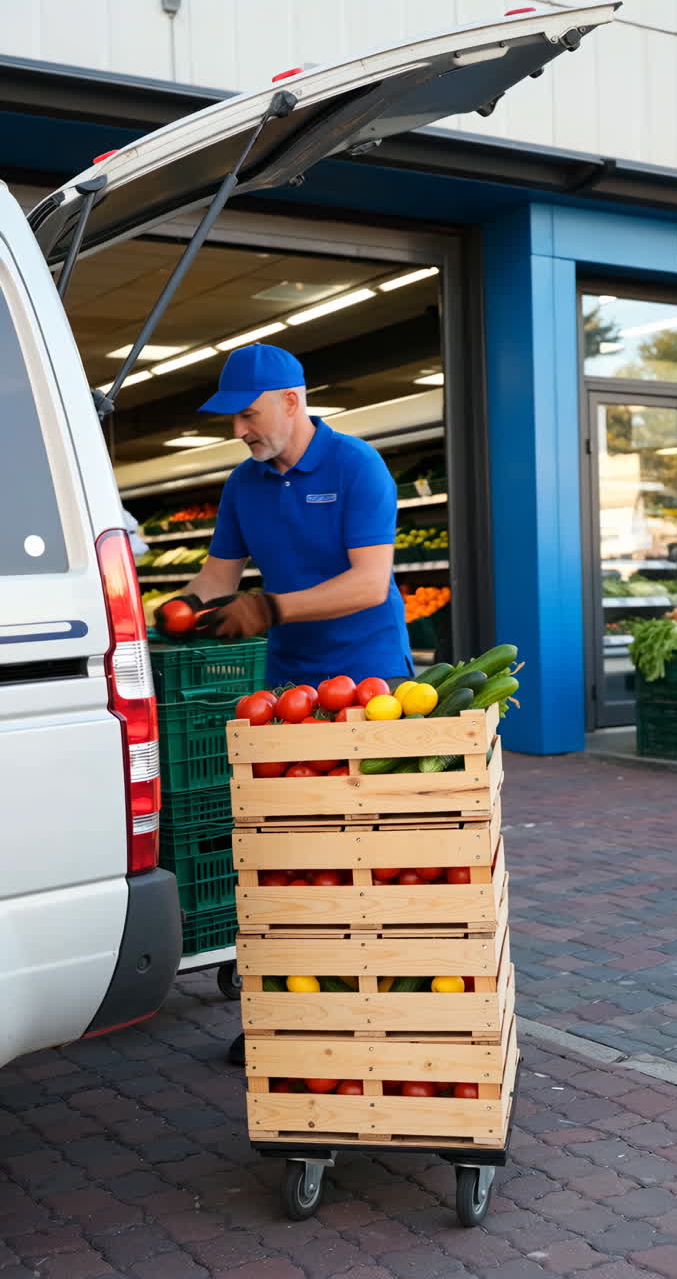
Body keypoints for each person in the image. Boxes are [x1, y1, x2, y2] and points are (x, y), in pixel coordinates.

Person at [154, 342, 414, 1064]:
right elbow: (216, 576)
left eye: (248, 413)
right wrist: (174, 609)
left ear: (293, 400)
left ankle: (377, 1003)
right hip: (288, 689)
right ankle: (295, 1007)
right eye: (232, 418)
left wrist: (267, 608)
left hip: (368, 684)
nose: (239, 429)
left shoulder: (357, 466)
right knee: (293, 849)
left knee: (368, 852)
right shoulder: (244, 484)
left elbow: (368, 583)